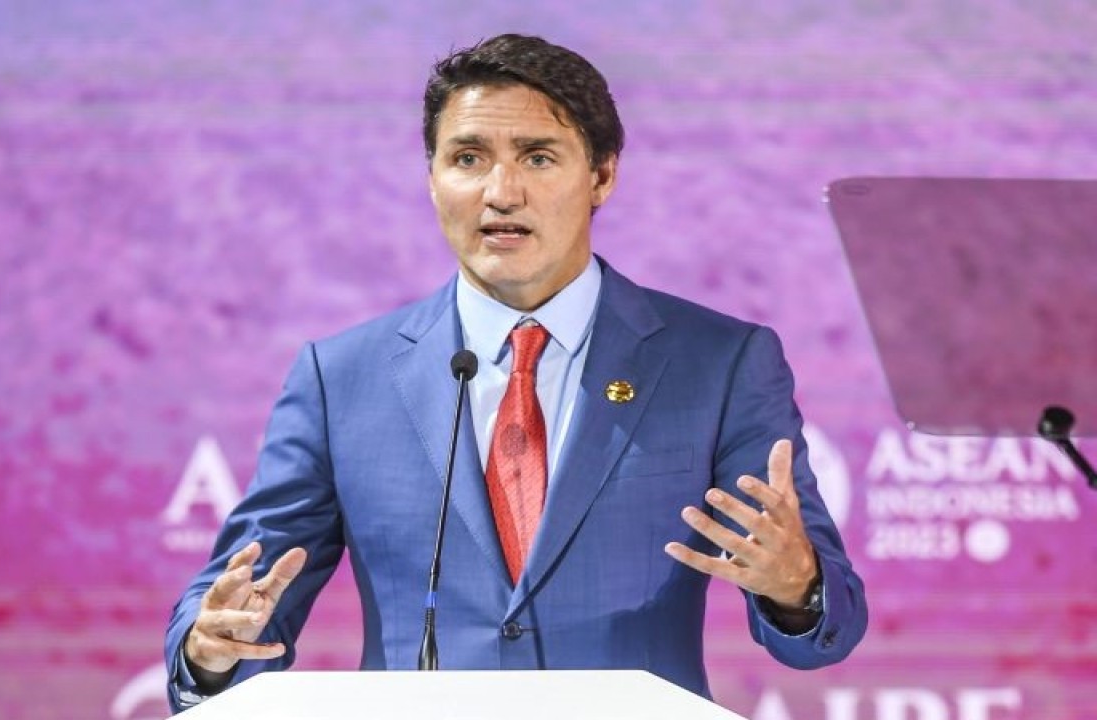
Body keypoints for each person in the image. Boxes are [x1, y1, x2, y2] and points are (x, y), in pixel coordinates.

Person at [164, 33, 867, 713]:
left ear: (603, 175)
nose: (500, 192)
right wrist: (212, 646)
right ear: (432, 179)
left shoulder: (718, 363)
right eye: (467, 158)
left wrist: (796, 585)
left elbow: (825, 630)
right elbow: (241, 597)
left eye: (537, 157)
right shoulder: (339, 378)